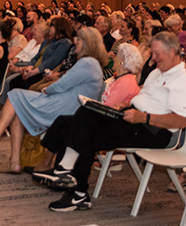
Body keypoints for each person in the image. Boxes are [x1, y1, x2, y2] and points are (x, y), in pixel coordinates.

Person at [33, 31, 186, 212]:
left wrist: (144, 117)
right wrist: (126, 103)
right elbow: (147, 96)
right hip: (133, 118)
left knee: (85, 124)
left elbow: (181, 121)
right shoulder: (157, 73)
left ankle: (71, 182)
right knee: (70, 122)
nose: (152, 58)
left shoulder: (181, 80)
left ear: (172, 51)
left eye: (156, 53)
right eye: (152, 52)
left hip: (154, 130)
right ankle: (72, 184)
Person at [0, 27, 106, 173]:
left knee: (15, 95)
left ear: (86, 43)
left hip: (64, 107)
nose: (75, 42)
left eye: (78, 39)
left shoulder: (87, 63)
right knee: (17, 107)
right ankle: (12, 161)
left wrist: (46, 90)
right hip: (68, 105)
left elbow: (61, 84)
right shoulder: (91, 63)